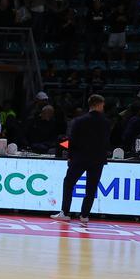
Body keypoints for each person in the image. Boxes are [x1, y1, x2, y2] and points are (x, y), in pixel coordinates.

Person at [51, 95, 110, 226]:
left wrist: (70, 156)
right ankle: (84, 215)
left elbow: (72, 141)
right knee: (91, 187)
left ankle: (65, 213)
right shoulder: (106, 122)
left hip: (80, 157)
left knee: (69, 183)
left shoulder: (80, 120)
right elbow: (107, 142)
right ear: (99, 104)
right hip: (97, 159)